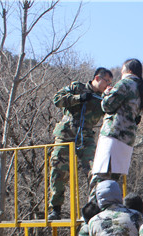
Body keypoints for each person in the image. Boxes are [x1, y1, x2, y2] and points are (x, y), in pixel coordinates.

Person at [48, 67, 113, 220]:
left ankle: (95, 206)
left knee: (95, 170)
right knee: (58, 170)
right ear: (97, 78)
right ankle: (55, 208)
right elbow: (57, 99)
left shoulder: (103, 100)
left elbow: (113, 112)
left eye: (110, 83)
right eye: (107, 81)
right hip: (66, 135)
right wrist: (79, 98)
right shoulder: (77, 87)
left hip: (86, 138)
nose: (108, 85)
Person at [90, 59, 143, 193]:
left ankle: (94, 205)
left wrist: (106, 94)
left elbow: (107, 106)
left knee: (100, 177)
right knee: (113, 181)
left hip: (113, 134)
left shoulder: (125, 83)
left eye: (122, 70)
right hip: (127, 139)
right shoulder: (140, 89)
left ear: (129, 70)